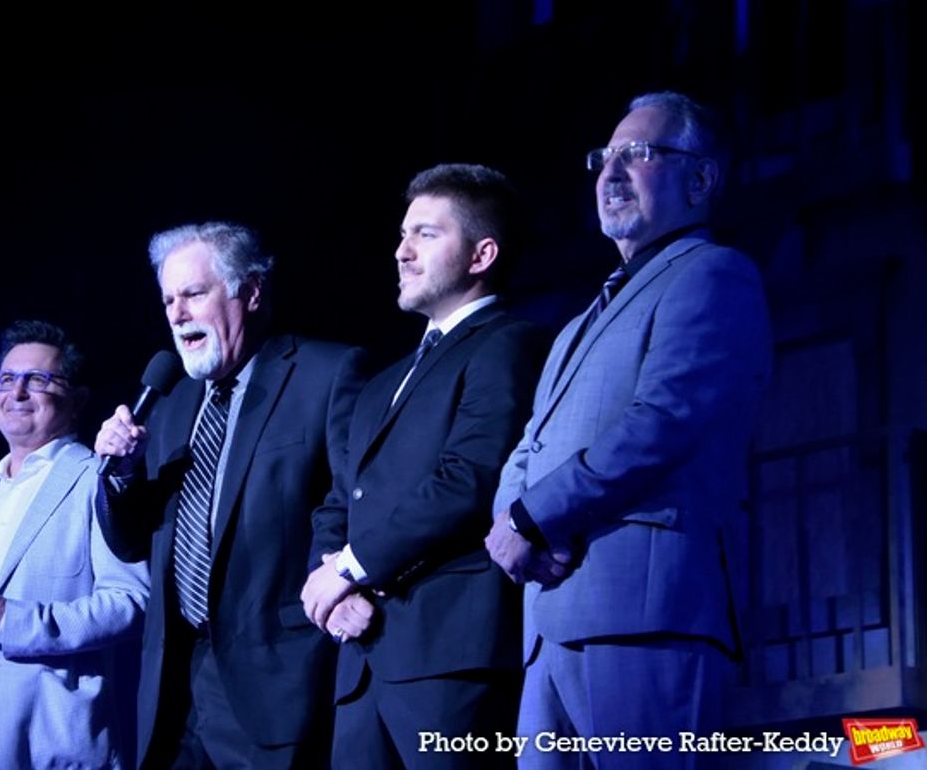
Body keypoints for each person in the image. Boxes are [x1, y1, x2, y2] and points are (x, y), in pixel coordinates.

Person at [487, 92, 772, 769]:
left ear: (700, 180)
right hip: (550, 622)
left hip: (648, 614)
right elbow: (529, 443)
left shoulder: (714, 275)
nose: (609, 172)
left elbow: (661, 421)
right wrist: (509, 522)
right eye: (603, 157)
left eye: (638, 154)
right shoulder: (580, 320)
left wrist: (530, 517)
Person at [301, 163, 549, 769]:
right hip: (362, 659)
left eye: (425, 235)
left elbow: (470, 477)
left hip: (449, 655)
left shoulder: (507, 343)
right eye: (402, 234)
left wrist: (353, 568)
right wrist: (331, 593)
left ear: (481, 254)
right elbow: (341, 500)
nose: (401, 251)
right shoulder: (382, 382)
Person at [94, 222, 366, 770]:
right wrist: (120, 476)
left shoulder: (326, 372)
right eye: (168, 299)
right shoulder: (169, 404)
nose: (176, 313)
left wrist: (335, 581)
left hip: (276, 679)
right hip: (176, 683)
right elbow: (131, 542)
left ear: (252, 291)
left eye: (194, 294)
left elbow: (349, 500)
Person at [0, 319, 149, 770]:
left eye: (38, 379)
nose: (17, 392)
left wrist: (13, 623)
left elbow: (131, 602)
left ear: (77, 399)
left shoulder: (94, 481)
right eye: (7, 379)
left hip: (46, 747)